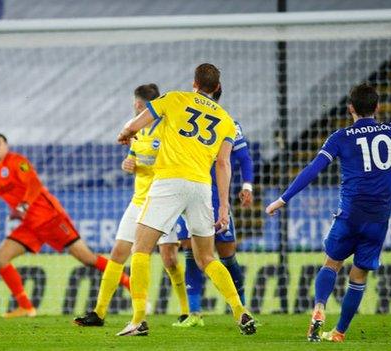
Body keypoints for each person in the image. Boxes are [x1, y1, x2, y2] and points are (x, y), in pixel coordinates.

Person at [266, 84, 391, 342]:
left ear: (350, 108)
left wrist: (283, 199)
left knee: (331, 263)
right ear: (378, 107)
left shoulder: (340, 137)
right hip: (378, 220)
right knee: (358, 276)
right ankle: (339, 332)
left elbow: (312, 169)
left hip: (349, 214)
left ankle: (319, 308)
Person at [115, 63, 256, 336]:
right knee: (206, 257)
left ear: (194, 83)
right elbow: (224, 164)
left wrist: (126, 133)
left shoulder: (175, 98)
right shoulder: (226, 120)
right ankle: (239, 309)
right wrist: (224, 207)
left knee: (140, 249)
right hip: (202, 188)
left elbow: (136, 123)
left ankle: (137, 320)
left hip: (169, 182)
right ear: (216, 88)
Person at [0, 133, 130, 318]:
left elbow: (34, 183)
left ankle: (129, 283)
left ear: (6, 147)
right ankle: (25, 307)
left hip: (51, 218)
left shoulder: (16, 161)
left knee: (87, 258)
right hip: (30, 225)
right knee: (0, 258)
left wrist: (23, 206)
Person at [74, 84, 189, 327]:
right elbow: (135, 156)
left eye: (135, 104)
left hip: (161, 203)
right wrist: (129, 163)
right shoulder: (135, 128)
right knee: (118, 253)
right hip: (138, 201)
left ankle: (185, 310)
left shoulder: (168, 128)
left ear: (139, 104)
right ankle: (99, 313)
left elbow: (172, 165)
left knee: (169, 259)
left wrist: (143, 166)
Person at [174, 86, 254, 327]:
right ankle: (194, 312)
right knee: (190, 250)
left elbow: (244, 158)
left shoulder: (229, 123)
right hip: (188, 194)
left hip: (215, 197)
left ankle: (242, 308)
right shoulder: (185, 118)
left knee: (227, 254)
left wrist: (247, 185)